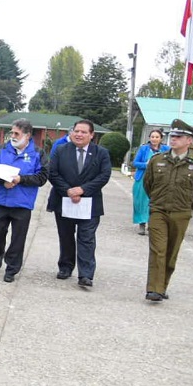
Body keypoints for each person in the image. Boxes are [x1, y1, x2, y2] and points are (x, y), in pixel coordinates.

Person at [142, 119, 193, 302]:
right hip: (158, 211)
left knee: (171, 253)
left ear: (189, 140)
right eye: (172, 136)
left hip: (181, 213)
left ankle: (162, 286)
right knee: (158, 250)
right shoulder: (157, 161)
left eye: (179, 137)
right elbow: (148, 185)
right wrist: (158, 202)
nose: (174, 139)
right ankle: (154, 289)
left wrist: (186, 207)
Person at [46, 119, 112, 288]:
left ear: (91, 135)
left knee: (87, 238)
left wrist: (82, 190)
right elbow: (53, 173)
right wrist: (68, 190)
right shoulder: (61, 150)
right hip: (64, 200)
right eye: (76, 131)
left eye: (83, 132)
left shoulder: (101, 153)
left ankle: (86, 274)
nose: (79, 134)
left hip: (89, 203)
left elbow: (104, 176)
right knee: (66, 236)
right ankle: (65, 267)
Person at [0, 118, 48, 282]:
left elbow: (42, 177)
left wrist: (21, 179)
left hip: (23, 202)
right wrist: (2, 181)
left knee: (18, 238)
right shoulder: (2, 149)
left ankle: (11, 269)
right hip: (2, 200)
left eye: (16, 133)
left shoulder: (38, 153)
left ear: (27, 135)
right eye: (11, 132)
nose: (12, 136)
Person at [131, 129, 169, 235]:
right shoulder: (144, 149)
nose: (154, 139)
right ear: (149, 138)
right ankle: (141, 224)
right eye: (152, 137)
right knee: (141, 202)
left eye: (157, 137)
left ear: (161, 138)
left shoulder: (166, 149)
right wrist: (146, 165)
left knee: (156, 202)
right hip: (143, 178)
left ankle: (153, 224)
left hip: (159, 179)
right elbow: (135, 163)